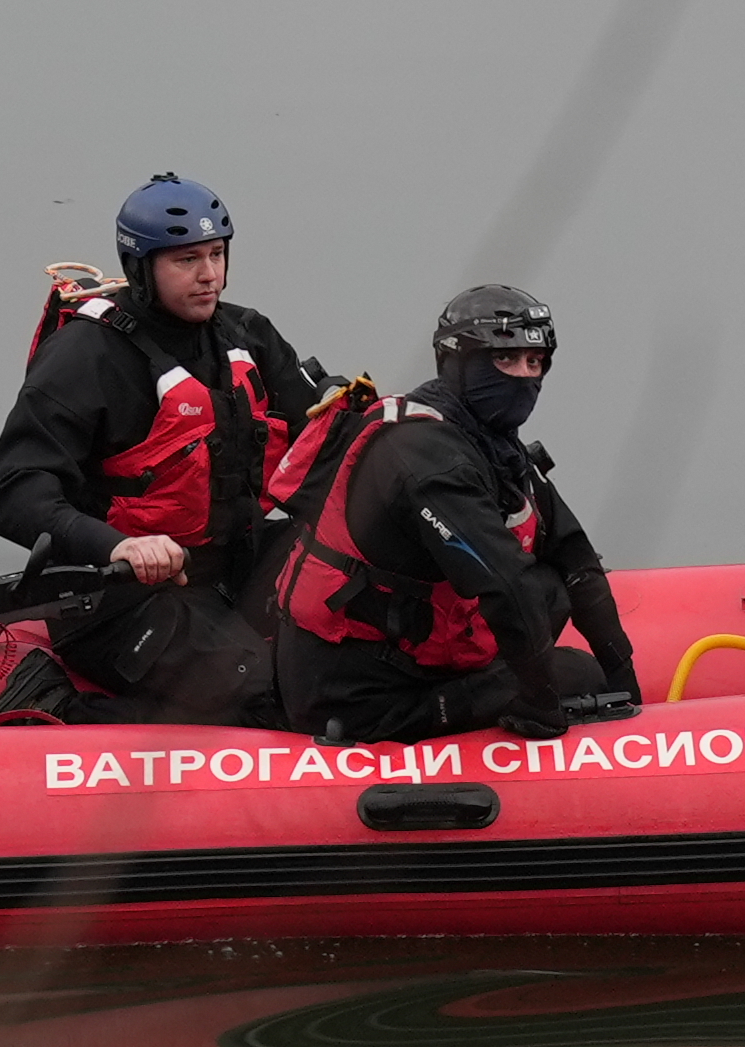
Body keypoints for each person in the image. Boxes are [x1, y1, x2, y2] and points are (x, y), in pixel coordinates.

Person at [0, 172, 326, 725]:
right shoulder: (86, 357)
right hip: (113, 597)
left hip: (227, 571)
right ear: (141, 268)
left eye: (216, 254)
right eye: (186, 260)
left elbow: (327, 440)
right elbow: (15, 494)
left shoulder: (247, 335)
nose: (209, 275)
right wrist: (119, 547)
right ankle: (63, 712)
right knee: (266, 692)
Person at [270, 285, 641, 743]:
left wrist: (631, 692)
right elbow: (506, 584)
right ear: (457, 364)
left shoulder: (495, 445)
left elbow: (576, 560)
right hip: (354, 697)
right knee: (575, 676)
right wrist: (542, 711)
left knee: (555, 591)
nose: (524, 377)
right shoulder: (423, 457)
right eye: (504, 360)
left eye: (534, 361)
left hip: (414, 664)